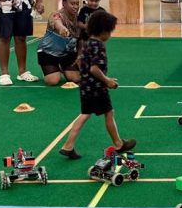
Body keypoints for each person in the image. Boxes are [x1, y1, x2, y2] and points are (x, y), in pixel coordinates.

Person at [58, 10, 137, 160]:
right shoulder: (99, 45)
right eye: (109, 31)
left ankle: (68, 146)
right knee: (109, 112)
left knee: (84, 115)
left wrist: (101, 77)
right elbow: (94, 68)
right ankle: (119, 144)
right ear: (103, 31)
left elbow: (81, 63)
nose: (110, 35)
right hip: (97, 89)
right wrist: (107, 81)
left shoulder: (87, 43)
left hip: (86, 87)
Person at [37, 0, 82, 86]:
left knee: (75, 78)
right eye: (72, 4)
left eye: (77, 4)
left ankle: (62, 67)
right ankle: (55, 68)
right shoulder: (56, 14)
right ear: (64, 3)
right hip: (48, 52)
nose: (75, 6)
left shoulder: (79, 19)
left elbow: (80, 40)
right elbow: (57, 22)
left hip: (67, 53)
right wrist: (62, 28)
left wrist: (80, 56)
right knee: (52, 81)